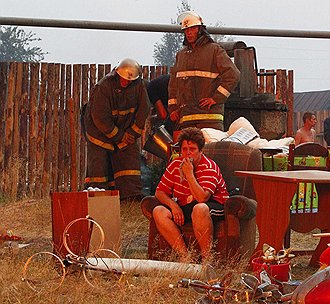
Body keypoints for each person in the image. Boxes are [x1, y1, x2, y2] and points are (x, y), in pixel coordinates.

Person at [152, 127, 229, 261]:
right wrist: (173, 206)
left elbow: (202, 198)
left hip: (212, 205)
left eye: (192, 150)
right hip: (185, 204)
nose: (187, 154)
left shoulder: (209, 166)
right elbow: (160, 192)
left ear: (201, 150)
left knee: (199, 209)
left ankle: (207, 259)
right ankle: (186, 257)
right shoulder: (175, 164)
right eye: (184, 150)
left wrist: (189, 174)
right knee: (159, 211)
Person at [83, 58, 150, 200]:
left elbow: (143, 111)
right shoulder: (103, 87)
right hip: (99, 134)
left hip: (126, 133)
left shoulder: (139, 87)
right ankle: (99, 198)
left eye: (129, 80)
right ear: (117, 74)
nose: (126, 82)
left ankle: (130, 196)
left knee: (130, 163)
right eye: (123, 79)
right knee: (99, 167)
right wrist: (119, 136)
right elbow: (100, 118)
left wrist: (131, 134)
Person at [168, 11, 240, 134]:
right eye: (186, 30)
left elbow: (233, 75)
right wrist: (173, 109)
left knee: (210, 151)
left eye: (192, 28)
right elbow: (173, 85)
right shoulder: (181, 55)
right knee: (189, 152)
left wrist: (216, 98)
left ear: (200, 29)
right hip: (186, 118)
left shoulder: (215, 50)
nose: (189, 33)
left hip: (209, 119)